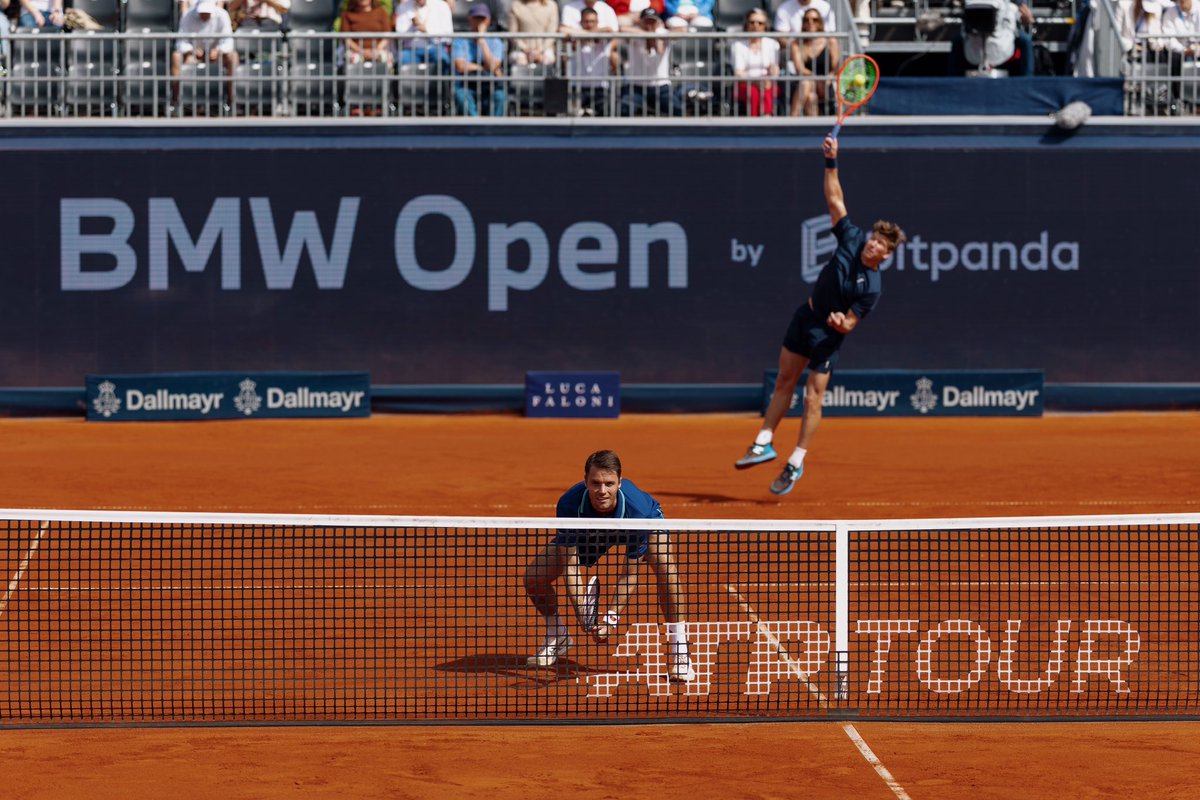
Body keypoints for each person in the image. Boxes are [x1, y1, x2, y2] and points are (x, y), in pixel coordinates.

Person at [734, 136, 906, 496]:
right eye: (874, 239)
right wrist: (831, 160)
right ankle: (763, 442)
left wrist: (841, 323)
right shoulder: (851, 238)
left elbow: (851, 323)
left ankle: (796, 460)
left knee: (813, 398)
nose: (872, 244)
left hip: (827, 337)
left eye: (880, 245)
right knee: (784, 380)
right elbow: (835, 199)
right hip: (805, 316)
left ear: (886, 255)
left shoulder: (872, 285)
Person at [523, 450, 696, 682]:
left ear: (620, 483)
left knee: (665, 565)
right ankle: (558, 635)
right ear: (585, 481)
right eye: (595, 483)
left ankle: (679, 650)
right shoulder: (569, 505)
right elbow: (570, 566)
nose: (602, 491)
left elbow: (629, 575)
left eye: (609, 483)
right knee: (534, 577)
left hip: (633, 525)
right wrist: (585, 617)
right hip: (590, 530)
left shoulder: (638, 511)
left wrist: (610, 619)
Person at [171, 0, 239, 109]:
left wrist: (218, 50)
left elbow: (228, 41)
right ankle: (176, 101)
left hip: (217, 56)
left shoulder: (222, 15)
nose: (204, 15)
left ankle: (232, 101)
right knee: (176, 56)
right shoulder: (188, 15)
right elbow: (181, 42)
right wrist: (192, 49)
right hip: (193, 56)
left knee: (233, 56)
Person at [618, 7, 681, 116]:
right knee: (624, 111)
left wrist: (656, 35)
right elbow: (621, 29)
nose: (649, 24)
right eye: (646, 21)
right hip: (636, 86)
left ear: (658, 22)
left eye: (652, 21)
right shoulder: (635, 33)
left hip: (661, 86)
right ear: (640, 22)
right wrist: (645, 34)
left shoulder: (661, 33)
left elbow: (682, 30)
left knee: (677, 111)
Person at [947, 0, 1035, 76]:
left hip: (1004, 28)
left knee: (1025, 40)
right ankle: (953, 87)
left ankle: (1027, 82)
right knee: (957, 41)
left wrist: (1025, 13)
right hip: (972, 29)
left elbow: (1022, 8)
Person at [452, 3, 507, 115]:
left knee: (500, 96)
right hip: (468, 85)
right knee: (461, 95)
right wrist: (483, 68)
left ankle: (494, 129)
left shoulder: (496, 41)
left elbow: (492, 65)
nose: (479, 22)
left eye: (482, 19)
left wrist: (481, 40)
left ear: (488, 20)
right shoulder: (460, 40)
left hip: (489, 86)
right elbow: (460, 66)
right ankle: (475, 128)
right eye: (476, 18)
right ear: (469, 19)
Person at [566, 5, 618, 114]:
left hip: (600, 88)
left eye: (593, 21)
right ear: (581, 22)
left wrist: (589, 34)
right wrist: (585, 35)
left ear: (598, 22)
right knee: (571, 113)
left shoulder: (603, 37)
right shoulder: (574, 37)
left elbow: (610, 30)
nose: (590, 24)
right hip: (578, 88)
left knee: (607, 111)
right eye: (586, 21)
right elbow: (563, 30)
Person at [731, 8, 780, 117]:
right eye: (752, 22)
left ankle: (766, 119)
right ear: (746, 25)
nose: (756, 26)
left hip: (767, 81)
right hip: (745, 82)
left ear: (765, 26)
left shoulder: (772, 44)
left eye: (760, 23)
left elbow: (775, 68)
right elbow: (739, 72)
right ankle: (755, 123)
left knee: (765, 90)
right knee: (753, 93)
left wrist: (770, 78)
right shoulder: (737, 45)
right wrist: (755, 81)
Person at [790, 8, 839, 116]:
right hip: (807, 83)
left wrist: (828, 79)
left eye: (814, 19)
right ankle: (801, 123)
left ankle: (792, 118)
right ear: (803, 23)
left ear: (820, 22)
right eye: (807, 20)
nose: (810, 22)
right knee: (811, 96)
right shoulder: (797, 43)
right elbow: (800, 69)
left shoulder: (831, 41)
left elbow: (836, 67)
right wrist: (816, 78)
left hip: (826, 83)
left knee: (807, 84)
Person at [395, 0, 454, 68]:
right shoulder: (403, 7)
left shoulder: (442, 5)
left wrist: (427, 31)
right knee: (403, 58)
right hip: (411, 50)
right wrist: (413, 27)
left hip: (435, 48)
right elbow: (400, 35)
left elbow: (448, 36)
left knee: (442, 59)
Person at [340, 0, 394, 64]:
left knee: (386, 58)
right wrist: (361, 51)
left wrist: (376, 50)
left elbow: (387, 35)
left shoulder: (381, 12)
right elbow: (346, 38)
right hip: (355, 51)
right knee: (352, 59)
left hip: (378, 50)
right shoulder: (347, 14)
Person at [507, 0, 559, 66]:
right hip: (520, 50)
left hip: (545, 49)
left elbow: (552, 33)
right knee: (520, 60)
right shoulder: (515, 5)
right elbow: (513, 33)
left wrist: (540, 50)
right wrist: (526, 50)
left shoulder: (551, 5)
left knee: (546, 59)